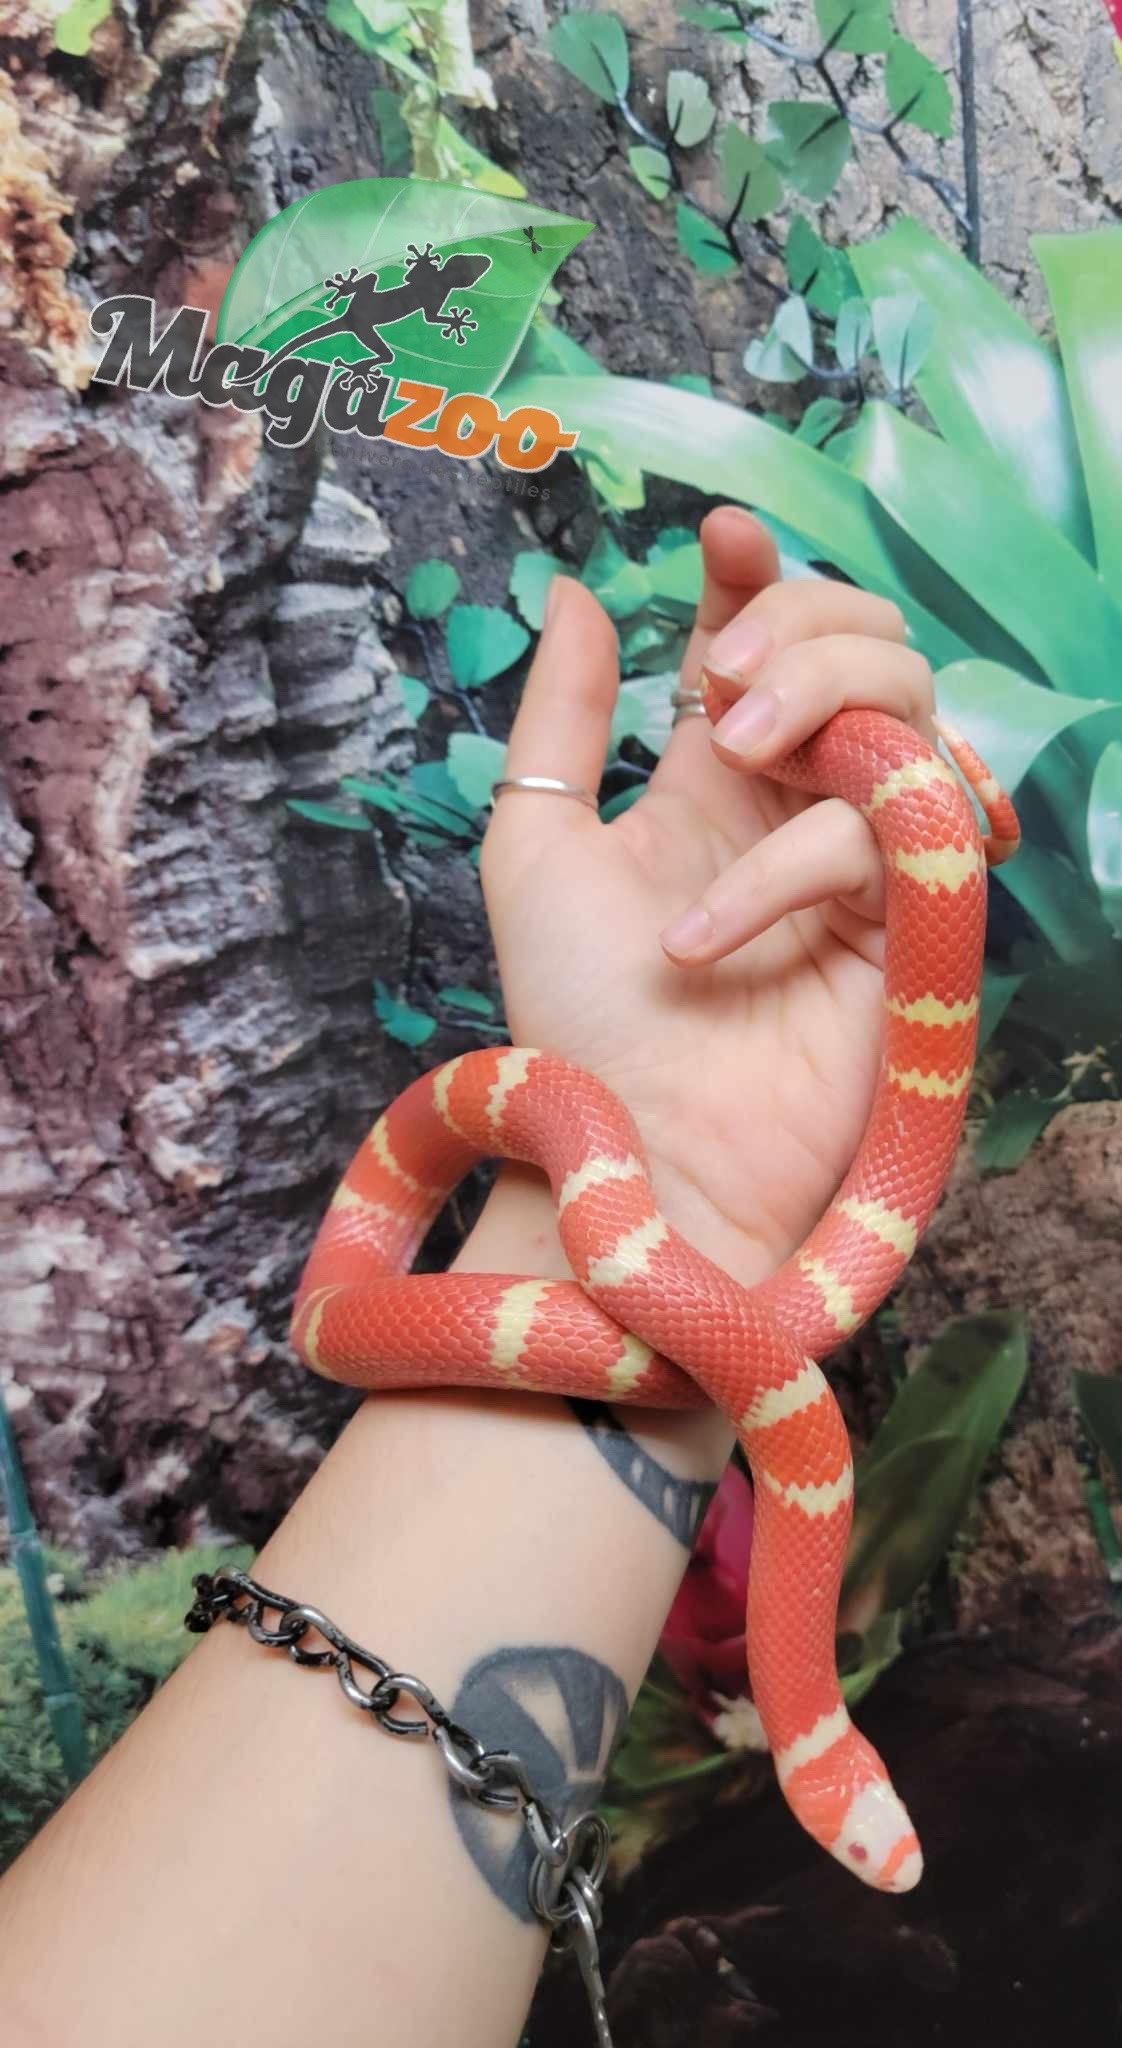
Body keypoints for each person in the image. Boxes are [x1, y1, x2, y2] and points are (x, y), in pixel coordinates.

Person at [0, 507, 949, 2045]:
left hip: (645, 1255)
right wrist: (661, 1187)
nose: (867, 1843)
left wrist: (689, 1189)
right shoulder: (743, 1364)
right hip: (630, 1250)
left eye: (853, 1825)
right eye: (857, 1817)